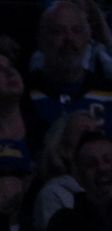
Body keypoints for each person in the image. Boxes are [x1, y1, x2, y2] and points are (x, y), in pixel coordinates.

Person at [27, 1, 112, 141]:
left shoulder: (108, 94)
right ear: (41, 40)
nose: (69, 38)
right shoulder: (22, 95)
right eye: (58, 31)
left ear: (88, 38)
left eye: (76, 30)